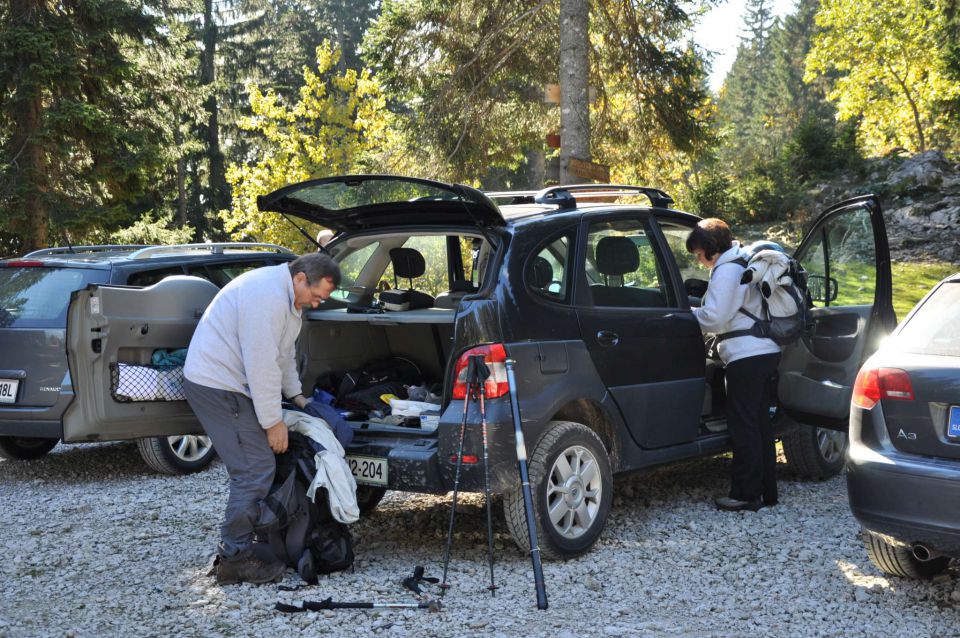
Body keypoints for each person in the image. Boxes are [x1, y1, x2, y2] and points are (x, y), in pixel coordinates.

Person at [183, 252, 341, 584]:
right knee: (254, 469)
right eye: (316, 296)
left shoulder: (287, 300)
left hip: (232, 383)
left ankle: (251, 540)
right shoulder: (266, 296)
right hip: (218, 384)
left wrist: (297, 396)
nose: (315, 304)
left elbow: (283, 356)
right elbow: (262, 366)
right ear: (300, 279)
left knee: (257, 465)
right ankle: (233, 557)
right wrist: (273, 423)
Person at [686, 219, 781, 512]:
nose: (699, 260)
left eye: (699, 253)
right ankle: (767, 492)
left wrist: (683, 314)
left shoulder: (727, 270)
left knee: (744, 425)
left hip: (746, 355)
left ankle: (745, 494)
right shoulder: (741, 263)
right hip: (763, 351)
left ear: (712, 249)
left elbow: (715, 318)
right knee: (760, 424)